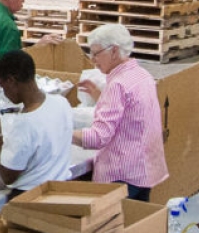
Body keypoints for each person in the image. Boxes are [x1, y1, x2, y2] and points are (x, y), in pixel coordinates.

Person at [72, 24, 168, 202]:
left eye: (96, 53)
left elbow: (98, 137)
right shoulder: (142, 75)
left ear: (114, 51)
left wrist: (62, 132)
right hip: (143, 170)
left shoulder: (117, 85)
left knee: (115, 227)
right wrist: (100, 96)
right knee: (136, 223)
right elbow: (131, 113)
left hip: (121, 174)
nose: (93, 59)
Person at [0, 50, 73, 196]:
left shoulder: (25, 123)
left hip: (32, 198)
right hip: (60, 188)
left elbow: (7, 176)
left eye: (3, 87)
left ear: (11, 81)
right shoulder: (61, 103)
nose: (4, 93)